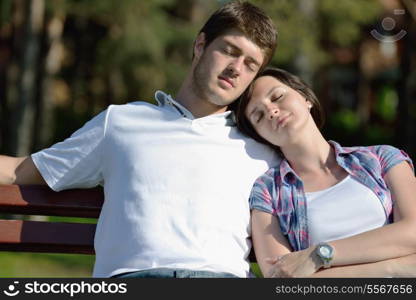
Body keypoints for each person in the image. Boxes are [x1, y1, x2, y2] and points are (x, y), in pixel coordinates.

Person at [0, 1, 279, 278]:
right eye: (230, 51)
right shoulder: (122, 123)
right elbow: (16, 171)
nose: (236, 68)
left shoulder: (261, 152)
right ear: (200, 45)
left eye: (250, 65)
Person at [235, 67, 416, 277]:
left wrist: (319, 255)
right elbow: (281, 279)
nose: (271, 111)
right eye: (258, 115)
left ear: (305, 98)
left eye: (277, 96)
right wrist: (394, 268)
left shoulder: (382, 159)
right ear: (260, 136)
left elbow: (413, 232)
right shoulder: (268, 191)